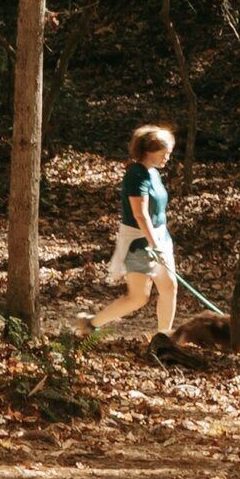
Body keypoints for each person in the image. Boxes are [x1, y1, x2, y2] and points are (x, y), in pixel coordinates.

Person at [87, 125, 179, 342]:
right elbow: (141, 215)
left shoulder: (153, 173)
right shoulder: (136, 175)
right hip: (141, 243)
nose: (167, 157)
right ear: (149, 150)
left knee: (169, 287)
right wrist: (154, 245)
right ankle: (91, 324)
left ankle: (163, 338)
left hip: (159, 239)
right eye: (164, 152)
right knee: (138, 297)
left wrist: (160, 243)